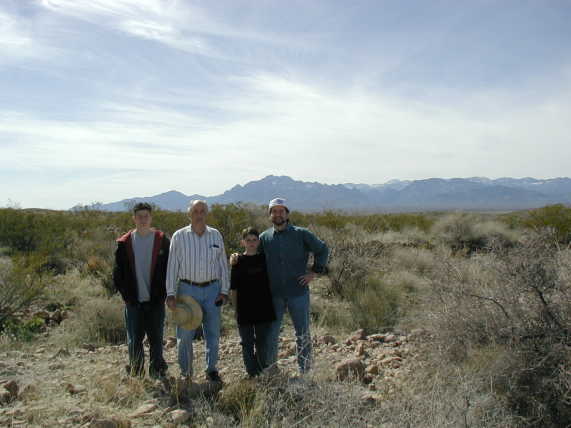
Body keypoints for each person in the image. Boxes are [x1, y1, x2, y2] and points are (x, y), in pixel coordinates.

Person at [259, 197, 329, 374]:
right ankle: (271, 369)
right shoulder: (264, 238)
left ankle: (305, 370)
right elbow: (254, 259)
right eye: (274, 211)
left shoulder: (301, 233)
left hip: (298, 292)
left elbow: (322, 249)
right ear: (270, 215)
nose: (278, 214)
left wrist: (314, 272)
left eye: (281, 211)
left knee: (302, 333)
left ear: (287, 213)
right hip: (274, 294)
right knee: (272, 333)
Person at [165, 200, 229, 383]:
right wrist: (170, 293)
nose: (199, 215)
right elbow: (172, 267)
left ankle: (211, 369)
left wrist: (224, 291)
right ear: (189, 214)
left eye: (202, 211)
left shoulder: (215, 235)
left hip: (212, 289)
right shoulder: (179, 236)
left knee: (213, 333)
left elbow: (223, 265)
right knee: (185, 334)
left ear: (206, 213)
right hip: (187, 289)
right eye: (195, 211)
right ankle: (186, 372)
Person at [113, 202, 170, 378]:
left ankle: (157, 370)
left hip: (156, 300)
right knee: (134, 340)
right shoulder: (125, 243)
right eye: (139, 217)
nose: (143, 220)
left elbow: (170, 269)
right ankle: (137, 372)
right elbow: (118, 273)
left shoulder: (162, 241)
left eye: (146, 216)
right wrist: (127, 296)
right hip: (134, 301)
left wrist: (164, 294)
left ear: (151, 218)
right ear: (134, 219)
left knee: (156, 339)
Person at [230, 227, 276, 378]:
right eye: (248, 240)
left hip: (263, 307)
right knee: (247, 343)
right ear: (243, 242)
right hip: (244, 308)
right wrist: (236, 309)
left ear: (258, 241)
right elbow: (234, 288)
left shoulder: (265, 258)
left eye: (254, 240)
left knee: (263, 342)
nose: (251, 243)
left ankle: (262, 371)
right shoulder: (237, 261)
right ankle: (251, 373)